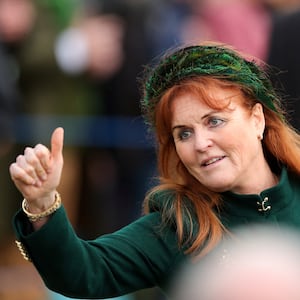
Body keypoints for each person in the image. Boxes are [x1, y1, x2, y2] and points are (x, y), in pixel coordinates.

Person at [9, 42, 300, 299]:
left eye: (214, 121)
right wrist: (42, 202)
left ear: (257, 119)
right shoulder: (178, 225)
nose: (200, 143)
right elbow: (82, 272)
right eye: (184, 133)